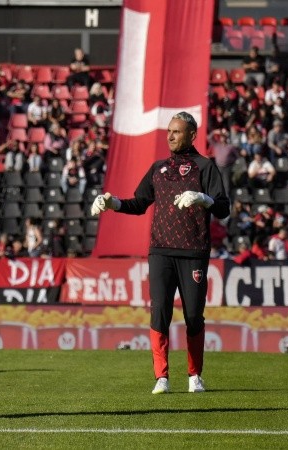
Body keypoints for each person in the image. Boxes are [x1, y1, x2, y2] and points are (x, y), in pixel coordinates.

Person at [90, 111, 229, 394]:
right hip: (160, 251)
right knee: (160, 312)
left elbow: (224, 208)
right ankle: (161, 377)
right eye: (169, 131)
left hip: (194, 252)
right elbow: (140, 203)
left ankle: (194, 376)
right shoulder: (159, 168)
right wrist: (113, 203)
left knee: (194, 316)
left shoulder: (205, 167)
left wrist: (204, 198)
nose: (171, 136)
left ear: (192, 135)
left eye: (177, 131)